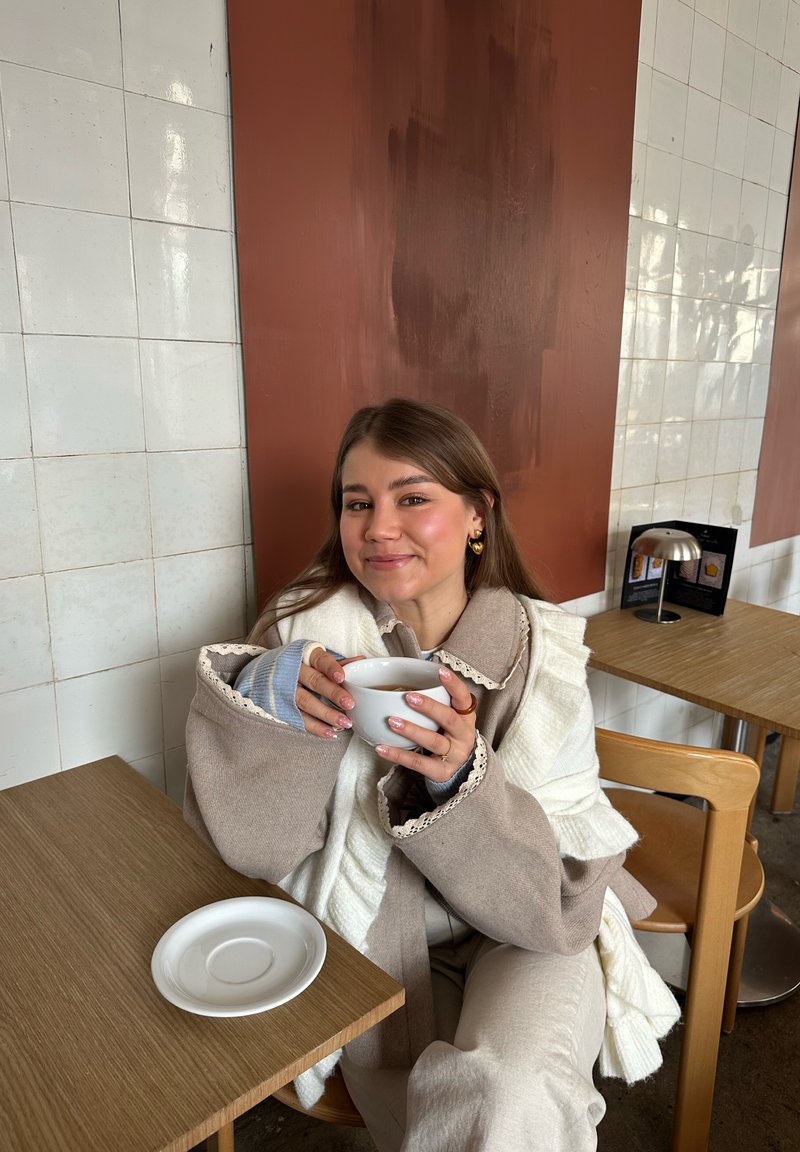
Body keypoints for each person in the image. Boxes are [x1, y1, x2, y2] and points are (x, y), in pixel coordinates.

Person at [184, 397, 679, 1152]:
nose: (379, 527)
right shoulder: (306, 636)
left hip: (528, 926)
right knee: (470, 1113)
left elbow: (559, 890)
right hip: (370, 931)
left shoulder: (543, 659)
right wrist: (272, 697)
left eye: (412, 497)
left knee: (512, 1093)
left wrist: (459, 784)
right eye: (358, 503)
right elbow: (254, 848)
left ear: (479, 513)